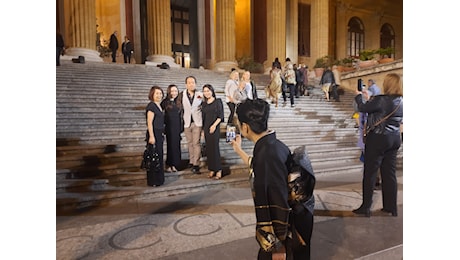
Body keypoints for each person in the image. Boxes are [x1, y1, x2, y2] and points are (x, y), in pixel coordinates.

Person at [230, 98, 314, 259]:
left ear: (245, 127)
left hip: (285, 233)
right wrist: (238, 150)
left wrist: (277, 246)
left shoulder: (266, 155)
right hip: (297, 220)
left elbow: (276, 202)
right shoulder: (274, 145)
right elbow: (258, 167)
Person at [352, 73, 403, 217]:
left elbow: (362, 108)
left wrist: (358, 96)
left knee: (370, 173)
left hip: (378, 138)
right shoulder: (402, 100)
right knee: (389, 174)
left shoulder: (381, 99)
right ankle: (391, 207)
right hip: (394, 138)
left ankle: (365, 207)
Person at [179, 76, 203, 174]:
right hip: (187, 122)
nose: (191, 84)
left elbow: (204, 107)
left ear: (195, 84)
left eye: (193, 82)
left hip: (197, 122)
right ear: (186, 84)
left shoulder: (200, 95)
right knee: (190, 143)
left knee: (196, 143)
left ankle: (196, 164)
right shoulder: (182, 94)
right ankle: (191, 161)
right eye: (189, 83)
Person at [201, 84, 224, 180]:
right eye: (205, 91)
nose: (207, 93)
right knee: (209, 149)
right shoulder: (204, 104)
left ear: (212, 91)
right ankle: (212, 169)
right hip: (206, 128)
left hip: (214, 127)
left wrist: (214, 126)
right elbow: (203, 118)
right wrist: (203, 130)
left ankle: (218, 170)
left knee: (215, 148)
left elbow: (220, 116)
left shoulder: (218, 101)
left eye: (208, 90)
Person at [145, 86, 165, 187]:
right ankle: (153, 180)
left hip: (159, 133)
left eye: (160, 93)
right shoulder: (151, 106)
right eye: (157, 93)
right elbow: (149, 122)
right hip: (154, 133)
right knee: (154, 157)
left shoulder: (159, 105)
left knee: (159, 156)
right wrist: (151, 136)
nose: (159, 95)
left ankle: (159, 179)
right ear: (152, 94)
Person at [160, 84, 183, 173]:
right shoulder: (165, 102)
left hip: (177, 126)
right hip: (169, 126)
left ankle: (175, 165)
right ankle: (169, 164)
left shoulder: (179, 102)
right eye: (172, 91)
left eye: (175, 91)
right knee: (170, 146)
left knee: (176, 146)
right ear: (169, 92)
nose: (174, 93)